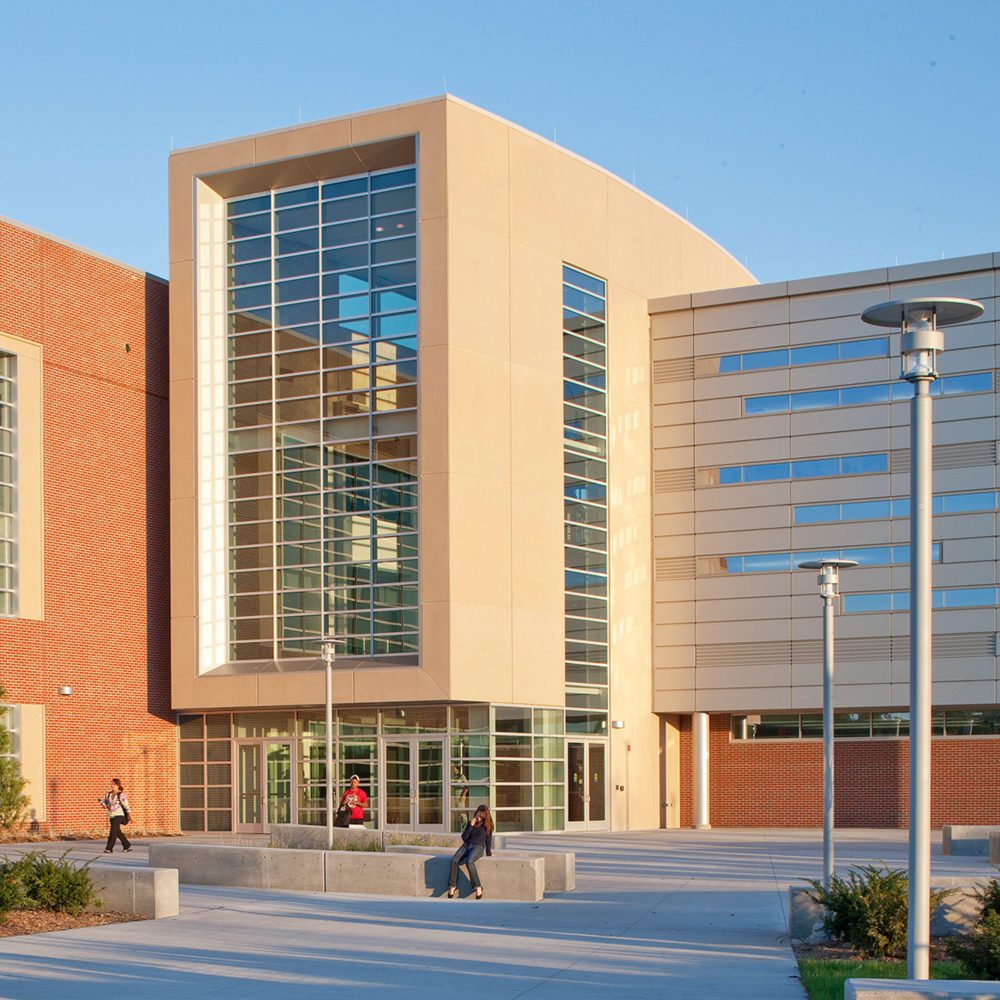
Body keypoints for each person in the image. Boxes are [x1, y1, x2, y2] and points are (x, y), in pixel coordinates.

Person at [447, 803, 493, 899]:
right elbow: (464, 837)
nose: (478, 817)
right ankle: (452, 886)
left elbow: (488, 841)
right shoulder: (471, 823)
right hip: (466, 846)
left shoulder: (487, 826)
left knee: (469, 861)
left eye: (480, 816)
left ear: (485, 817)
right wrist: (471, 826)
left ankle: (478, 887)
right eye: (477, 814)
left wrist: (489, 854)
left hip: (478, 847)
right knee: (454, 860)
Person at [99, 778, 132, 853]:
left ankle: (109, 848)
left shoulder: (121, 794)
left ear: (118, 785)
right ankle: (126, 845)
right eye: (111, 784)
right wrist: (103, 805)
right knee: (117, 831)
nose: (112, 786)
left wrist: (130, 817)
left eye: (114, 784)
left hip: (119, 815)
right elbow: (107, 804)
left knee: (113, 831)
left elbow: (126, 806)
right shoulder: (108, 794)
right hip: (111, 815)